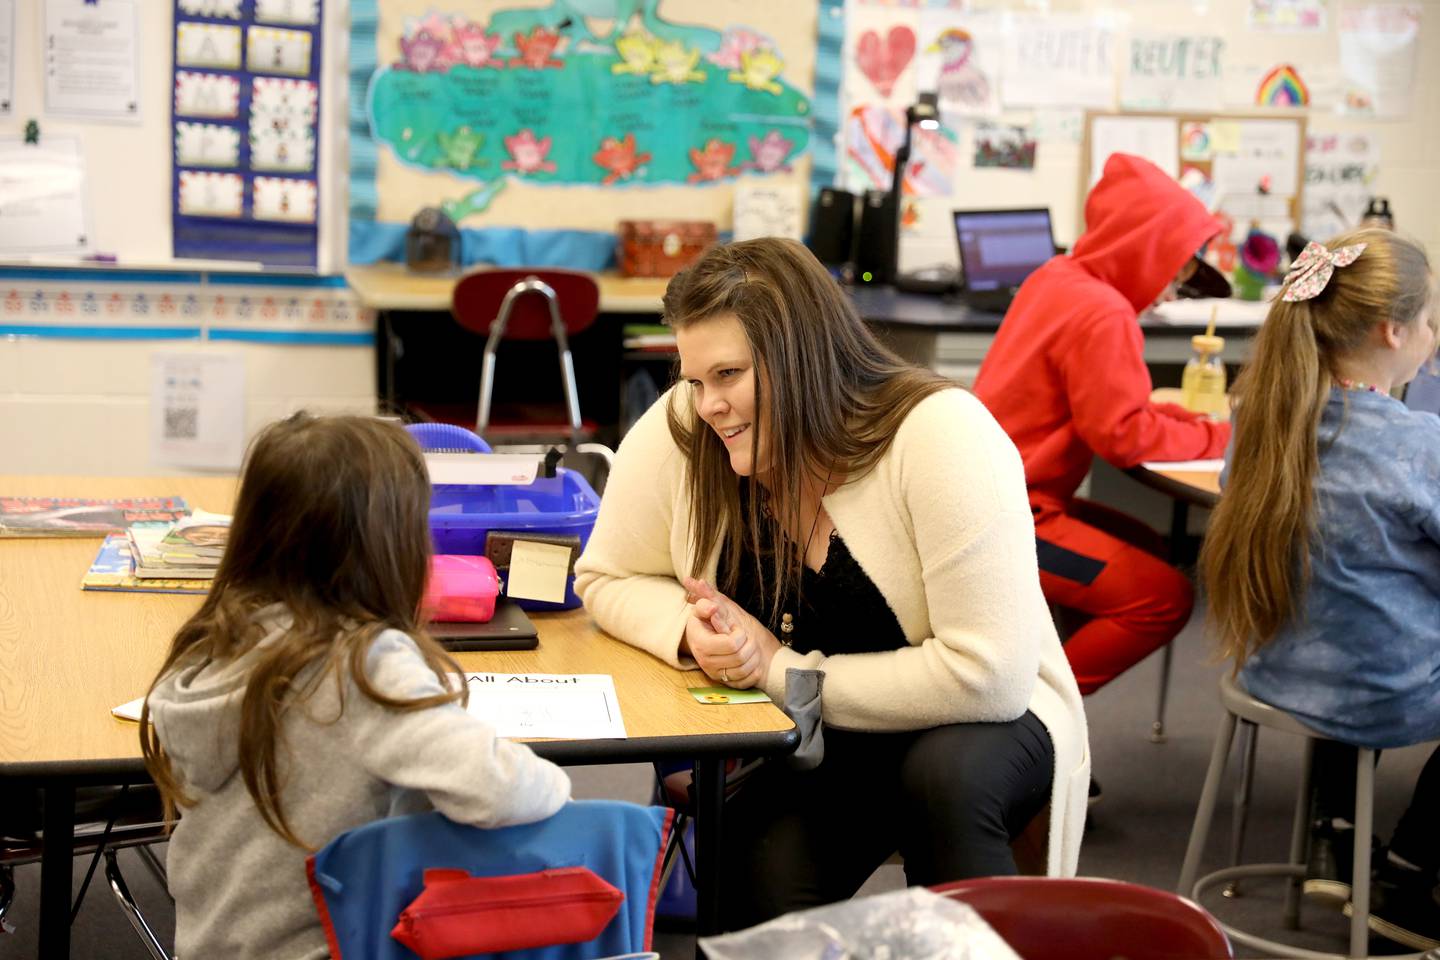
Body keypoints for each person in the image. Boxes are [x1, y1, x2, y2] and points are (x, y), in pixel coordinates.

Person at [574, 237, 1089, 930]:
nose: (706, 405)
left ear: (801, 357)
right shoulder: (688, 428)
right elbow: (607, 575)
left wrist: (783, 671)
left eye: (727, 374)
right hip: (832, 730)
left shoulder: (939, 434)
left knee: (945, 785)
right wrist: (689, 630)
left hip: (980, 717)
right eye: (695, 380)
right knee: (750, 871)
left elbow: (987, 676)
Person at [140, 414, 570, 959]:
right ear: (392, 542)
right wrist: (557, 785)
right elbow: (501, 790)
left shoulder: (214, 640)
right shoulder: (363, 665)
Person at [1201, 229, 1439, 951]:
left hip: (1274, 668)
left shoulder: (1262, 418)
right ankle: (1408, 869)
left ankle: (1338, 839)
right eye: (1430, 320)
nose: (1433, 334)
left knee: (1353, 610)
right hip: (1374, 688)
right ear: (1393, 331)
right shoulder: (1414, 443)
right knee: (1384, 633)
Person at [972, 152, 1233, 697]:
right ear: (1143, 245)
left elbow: (1117, 407)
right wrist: (1219, 436)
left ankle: (1045, 711)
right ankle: (1039, 716)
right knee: (1164, 597)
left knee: (1142, 541)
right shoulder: (1104, 313)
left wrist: (1183, 419)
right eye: (1175, 265)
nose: (1172, 286)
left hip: (997, 493)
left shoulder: (1059, 276)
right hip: (1009, 516)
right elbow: (1123, 435)